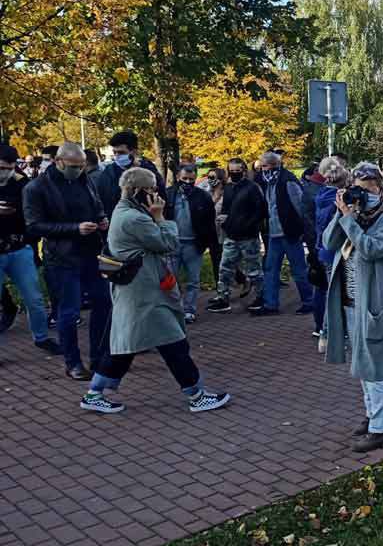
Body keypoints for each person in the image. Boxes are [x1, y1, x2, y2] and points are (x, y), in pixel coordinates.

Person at [78, 167, 229, 414]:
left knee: (127, 346)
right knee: (172, 341)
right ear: (138, 190)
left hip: (139, 289)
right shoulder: (134, 218)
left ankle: (95, 393)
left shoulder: (124, 210)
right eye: (150, 189)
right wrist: (160, 218)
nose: (155, 194)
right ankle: (196, 394)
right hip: (144, 291)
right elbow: (168, 244)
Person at [322, 162, 383, 453]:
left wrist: (350, 221)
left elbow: (371, 249)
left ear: (381, 189)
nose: (363, 196)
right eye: (358, 190)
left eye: (368, 190)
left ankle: (381, 429)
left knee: (374, 367)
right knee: (362, 363)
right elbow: (328, 242)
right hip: (351, 301)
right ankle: (372, 416)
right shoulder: (354, 215)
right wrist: (342, 212)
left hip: (377, 303)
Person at [23, 142, 111, 379]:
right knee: (69, 312)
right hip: (62, 257)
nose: (78, 170)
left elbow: (96, 204)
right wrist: (75, 228)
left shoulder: (85, 179)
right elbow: (34, 226)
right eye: (73, 166)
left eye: (82, 166)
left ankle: (98, 357)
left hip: (91, 252)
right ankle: (73, 362)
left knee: (104, 302)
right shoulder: (36, 187)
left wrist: (101, 219)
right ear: (58, 162)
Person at [0, 145, 61, 355]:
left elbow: (33, 213)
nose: (4, 172)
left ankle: (41, 337)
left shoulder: (22, 183)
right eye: (1, 167)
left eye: (9, 168)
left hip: (19, 249)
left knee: (34, 299)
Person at [255, 151, 313, 316]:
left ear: (274, 165)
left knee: (299, 269)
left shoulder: (287, 180)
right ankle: (270, 304)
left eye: (264, 166)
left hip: (289, 232)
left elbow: (299, 206)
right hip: (274, 232)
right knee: (270, 269)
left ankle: (309, 301)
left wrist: (302, 229)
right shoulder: (266, 181)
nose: (262, 169)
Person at [207, 158, 267, 313]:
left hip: (248, 236)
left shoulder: (252, 188)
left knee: (254, 270)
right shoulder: (228, 187)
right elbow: (226, 208)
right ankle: (223, 297)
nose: (234, 174)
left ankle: (261, 297)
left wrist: (247, 225)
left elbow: (260, 211)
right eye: (231, 171)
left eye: (237, 171)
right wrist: (225, 222)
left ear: (244, 171)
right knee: (225, 268)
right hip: (231, 235)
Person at [164, 165, 216, 324]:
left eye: (191, 180)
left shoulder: (203, 196)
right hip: (172, 243)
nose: (187, 182)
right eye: (184, 179)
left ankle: (189, 310)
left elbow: (210, 221)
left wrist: (207, 242)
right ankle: (173, 310)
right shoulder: (168, 194)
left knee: (193, 280)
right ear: (177, 177)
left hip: (194, 244)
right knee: (170, 280)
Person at [312, 158, 349, 339]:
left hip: (324, 248)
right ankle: (328, 332)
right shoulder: (338, 201)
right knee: (336, 294)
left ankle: (323, 328)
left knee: (326, 291)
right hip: (336, 251)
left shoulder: (320, 196)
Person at [95, 130, 166, 218]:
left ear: (134, 151)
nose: (117, 156)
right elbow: (101, 200)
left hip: (145, 221)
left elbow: (161, 198)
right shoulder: (108, 173)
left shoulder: (150, 172)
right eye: (114, 152)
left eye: (121, 152)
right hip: (117, 221)